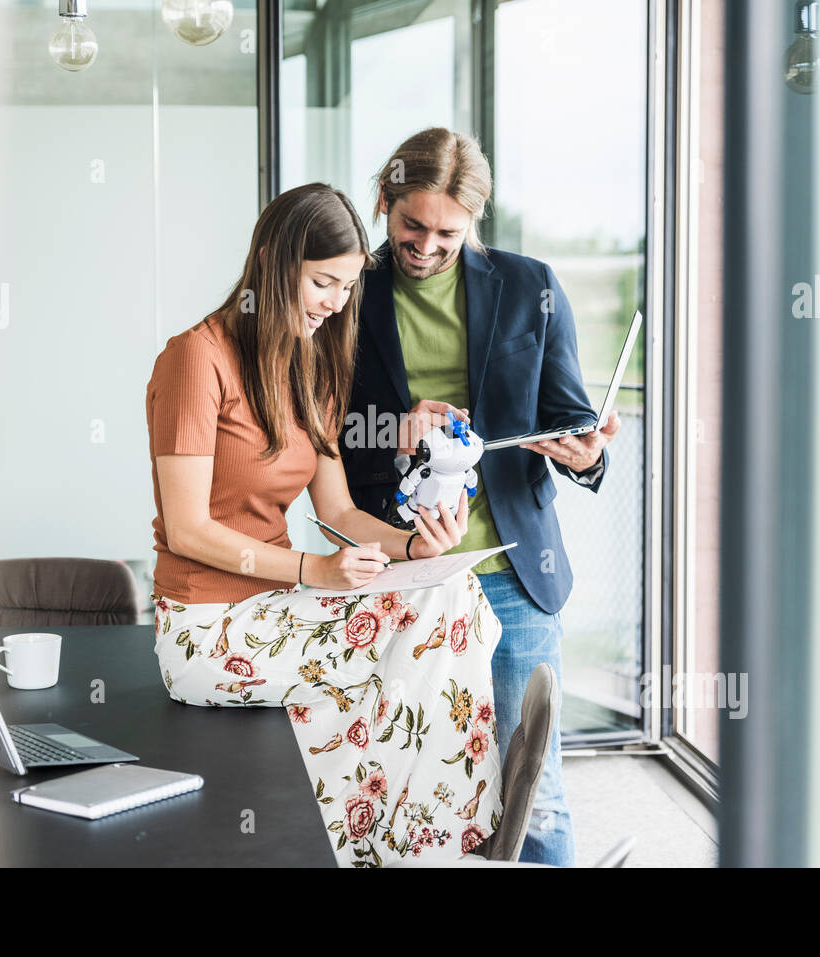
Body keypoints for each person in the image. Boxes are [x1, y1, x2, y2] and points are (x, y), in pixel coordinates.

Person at [146, 182, 504, 867]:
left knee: (452, 590)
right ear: (273, 263)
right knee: (432, 637)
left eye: (347, 286)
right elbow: (187, 529)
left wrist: (414, 544)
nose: (337, 303)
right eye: (322, 282)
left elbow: (338, 513)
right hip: (205, 628)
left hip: (280, 607)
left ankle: (404, 842)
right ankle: (432, 849)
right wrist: (317, 570)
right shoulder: (194, 358)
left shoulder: (309, 365)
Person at [340, 128, 622, 867]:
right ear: (385, 200)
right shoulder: (347, 293)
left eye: (449, 233)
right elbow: (320, 438)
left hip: (511, 574)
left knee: (534, 791)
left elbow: (569, 416)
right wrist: (395, 433)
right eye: (413, 225)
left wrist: (587, 453)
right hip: (398, 570)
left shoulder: (530, 286)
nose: (427, 247)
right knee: (406, 784)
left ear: (474, 222)